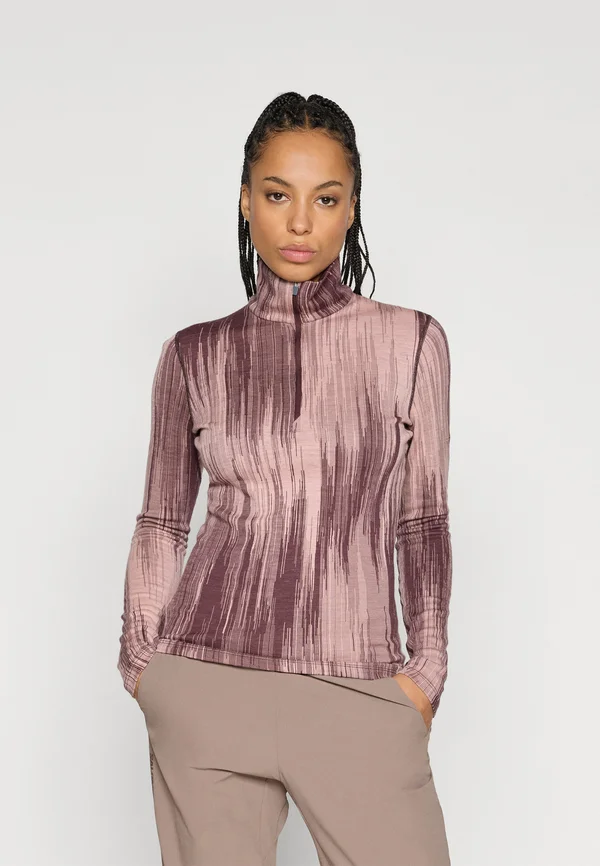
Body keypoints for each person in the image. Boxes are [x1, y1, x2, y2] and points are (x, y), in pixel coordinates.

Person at [118, 91, 453, 866]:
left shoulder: (411, 343)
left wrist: (427, 669)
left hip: (357, 684)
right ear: (246, 200)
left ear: (351, 208)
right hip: (205, 684)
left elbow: (423, 521)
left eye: (325, 199)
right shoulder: (193, 353)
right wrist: (143, 661)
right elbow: (162, 520)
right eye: (277, 195)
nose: (300, 222)